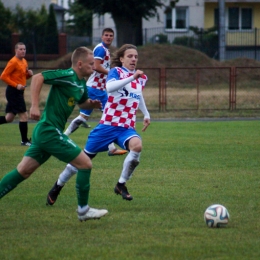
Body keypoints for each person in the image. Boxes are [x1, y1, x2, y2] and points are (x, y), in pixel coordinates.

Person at [0, 47, 108, 221]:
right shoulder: (67, 75)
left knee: (23, 171)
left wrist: (93, 105)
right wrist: (34, 105)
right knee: (85, 164)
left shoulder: (81, 84)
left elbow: (82, 103)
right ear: (79, 64)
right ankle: (83, 210)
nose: (94, 67)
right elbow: (37, 77)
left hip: (46, 132)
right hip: (49, 130)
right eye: (90, 64)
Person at [46, 44, 150, 205]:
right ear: (121, 59)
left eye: (136, 57)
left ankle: (121, 184)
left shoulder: (141, 78)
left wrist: (146, 114)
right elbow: (109, 88)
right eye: (130, 56)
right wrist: (132, 77)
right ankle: (57, 186)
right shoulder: (116, 72)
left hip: (126, 127)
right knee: (81, 161)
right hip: (107, 126)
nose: (133, 59)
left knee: (137, 146)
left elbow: (138, 94)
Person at [64, 28, 127, 156]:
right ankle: (111, 148)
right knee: (109, 116)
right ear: (102, 36)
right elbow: (96, 66)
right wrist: (111, 73)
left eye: (111, 35)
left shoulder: (105, 50)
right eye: (106, 35)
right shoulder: (101, 49)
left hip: (96, 88)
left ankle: (64, 136)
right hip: (96, 89)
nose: (108, 37)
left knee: (84, 117)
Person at [0, 42, 33, 146]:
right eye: (20, 49)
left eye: (24, 49)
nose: (23, 51)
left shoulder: (24, 61)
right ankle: (24, 141)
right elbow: (3, 76)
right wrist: (16, 85)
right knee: (24, 116)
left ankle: (24, 140)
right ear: (15, 50)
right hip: (13, 92)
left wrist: (29, 75)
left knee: (9, 118)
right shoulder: (13, 62)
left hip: (19, 92)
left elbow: (23, 77)